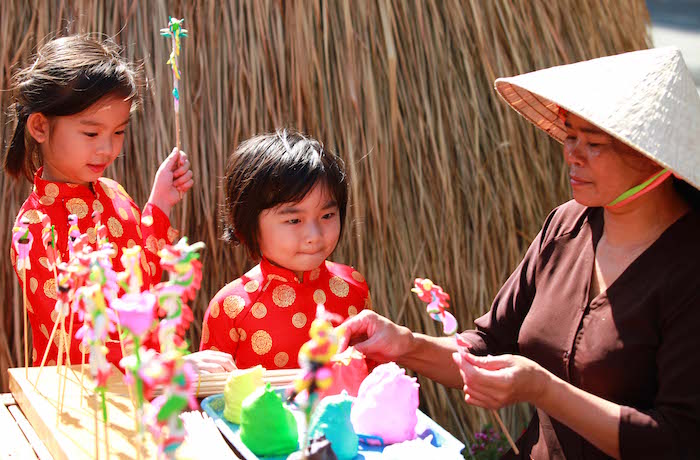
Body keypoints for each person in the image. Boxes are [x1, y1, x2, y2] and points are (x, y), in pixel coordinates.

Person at [337, 47, 700, 459]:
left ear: (655, 157)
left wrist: (544, 390)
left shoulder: (688, 269)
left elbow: (680, 441)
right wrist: (405, 345)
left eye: (594, 143)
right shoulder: (567, 225)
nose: (571, 154)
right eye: (570, 134)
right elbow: (489, 345)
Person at [5, 35, 199, 368]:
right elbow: (78, 334)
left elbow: (144, 276)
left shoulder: (114, 192)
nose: (108, 148)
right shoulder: (34, 228)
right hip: (82, 403)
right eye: (92, 133)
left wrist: (159, 204)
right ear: (40, 125)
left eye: (119, 131)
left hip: (141, 384)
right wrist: (167, 365)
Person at [199, 131, 371, 370]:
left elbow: (372, 379)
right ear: (248, 223)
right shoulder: (230, 307)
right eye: (294, 220)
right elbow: (210, 394)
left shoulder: (353, 287)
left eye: (327, 215)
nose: (314, 235)